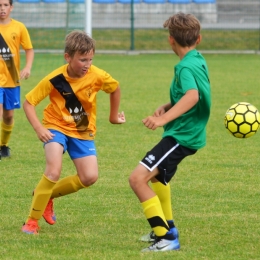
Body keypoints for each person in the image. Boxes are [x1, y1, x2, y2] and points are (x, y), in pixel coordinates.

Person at [21, 30, 126, 234]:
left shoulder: (97, 75)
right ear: (68, 57)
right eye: (82, 59)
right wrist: (39, 128)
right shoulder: (55, 79)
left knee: (89, 177)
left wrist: (113, 117)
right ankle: (31, 222)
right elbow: (29, 103)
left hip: (82, 129)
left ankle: (46, 195)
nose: (87, 64)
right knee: (53, 170)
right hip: (55, 126)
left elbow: (115, 88)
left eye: (90, 59)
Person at [129, 12, 211, 252]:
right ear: (199, 39)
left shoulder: (184, 67)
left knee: (137, 179)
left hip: (182, 136)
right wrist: (168, 105)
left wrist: (163, 118)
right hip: (187, 133)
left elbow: (193, 96)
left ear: (170, 40)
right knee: (156, 178)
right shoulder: (198, 59)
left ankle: (166, 238)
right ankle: (168, 227)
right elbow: (196, 92)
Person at [0, 0, 34, 159]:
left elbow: (29, 49)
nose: (2, 8)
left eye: (5, 5)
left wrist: (27, 67)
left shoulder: (19, 27)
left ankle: (3, 146)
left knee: (8, 116)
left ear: (11, 7)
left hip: (12, 80)